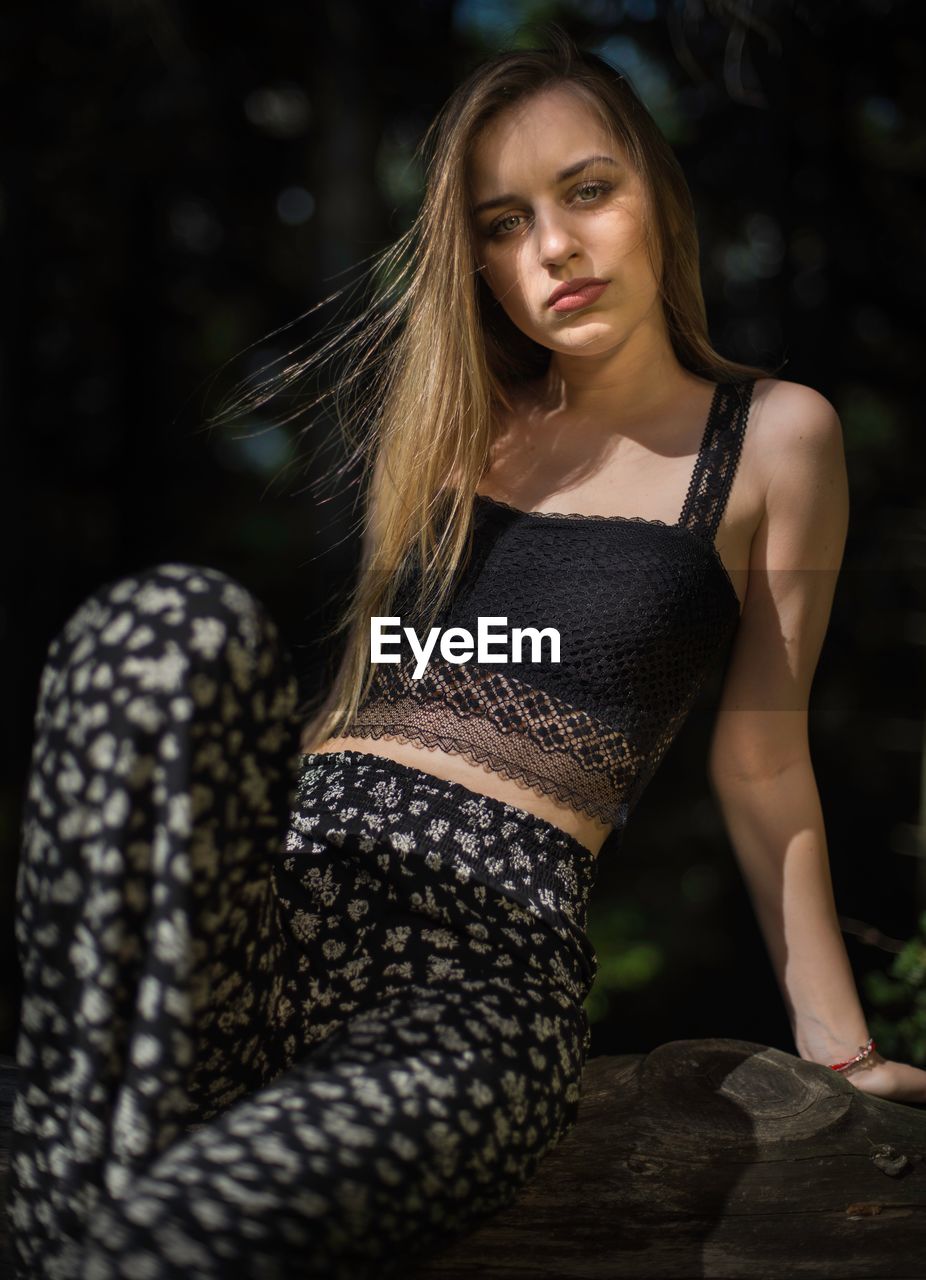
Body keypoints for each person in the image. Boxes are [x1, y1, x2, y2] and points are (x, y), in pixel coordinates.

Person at [7, 26, 925, 1280]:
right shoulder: (453, 425)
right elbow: (367, 696)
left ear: (655, 190)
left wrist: (835, 1044)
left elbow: (761, 759)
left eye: (586, 191)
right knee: (168, 624)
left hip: (468, 979)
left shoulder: (773, 437)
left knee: (162, 1228)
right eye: (501, 221)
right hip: (259, 911)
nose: (550, 247)